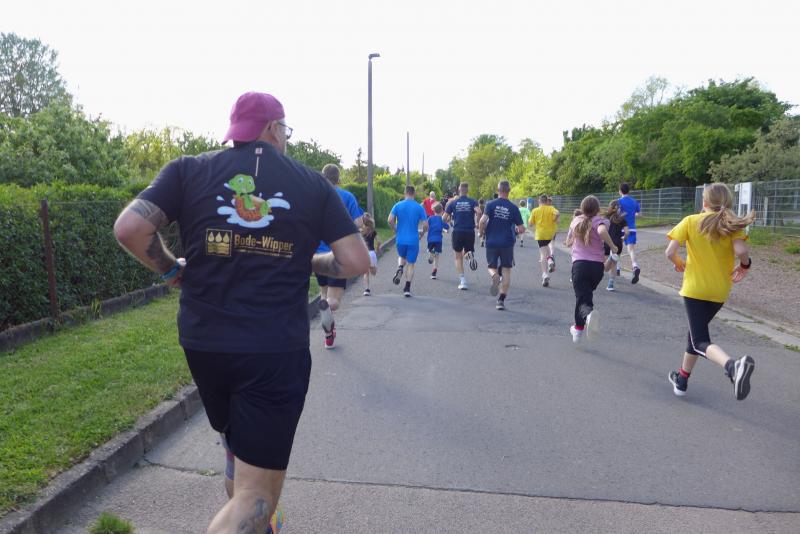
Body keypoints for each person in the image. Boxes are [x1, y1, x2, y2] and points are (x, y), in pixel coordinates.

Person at [113, 91, 369, 534]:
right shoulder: (312, 184)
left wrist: (171, 269)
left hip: (203, 342)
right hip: (273, 350)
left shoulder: (188, 170)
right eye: (285, 129)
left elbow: (130, 228)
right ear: (272, 128)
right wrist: (308, 261)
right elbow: (355, 261)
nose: (285, 138)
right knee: (258, 495)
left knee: (238, 448)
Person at [665, 183, 755, 400]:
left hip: (695, 289)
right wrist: (745, 265)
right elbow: (741, 250)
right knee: (695, 336)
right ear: (728, 203)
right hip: (719, 291)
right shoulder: (731, 225)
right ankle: (682, 379)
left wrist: (679, 263)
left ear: (704, 202)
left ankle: (733, 367)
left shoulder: (691, 221)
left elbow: (669, 252)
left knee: (699, 341)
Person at [315, 164, 364, 350]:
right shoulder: (347, 197)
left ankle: (329, 334)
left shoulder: (315, 196)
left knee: (323, 293)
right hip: (338, 254)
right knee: (333, 300)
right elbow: (357, 223)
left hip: (318, 254)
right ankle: (327, 307)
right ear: (338, 178)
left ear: (322, 176)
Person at [565, 195, 619, 343]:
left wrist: (573, 241)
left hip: (580, 266)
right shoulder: (600, 221)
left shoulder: (576, 221)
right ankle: (578, 330)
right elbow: (601, 231)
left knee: (583, 300)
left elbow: (567, 242)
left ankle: (588, 315)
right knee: (584, 297)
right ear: (597, 209)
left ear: (582, 208)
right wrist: (612, 246)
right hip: (597, 268)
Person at [479, 181, 525, 310]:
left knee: (491, 267)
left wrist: (481, 233)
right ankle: (501, 300)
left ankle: (494, 276)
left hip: (492, 241)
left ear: (498, 190)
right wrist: (518, 231)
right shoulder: (513, 208)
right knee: (506, 270)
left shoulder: (490, 204)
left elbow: (482, 221)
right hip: (507, 243)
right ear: (509, 191)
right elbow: (521, 228)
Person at [389, 185, 428, 297]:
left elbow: (390, 220)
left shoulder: (397, 205)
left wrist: (396, 229)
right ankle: (407, 288)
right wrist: (422, 233)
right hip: (413, 240)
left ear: (404, 193)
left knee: (402, 257)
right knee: (411, 264)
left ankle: (400, 268)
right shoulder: (419, 207)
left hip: (400, 239)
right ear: (414, 193)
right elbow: (426, 224)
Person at [444, 182, 481, 290]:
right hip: (469, 231)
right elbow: (479, 212)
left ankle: (463, 281)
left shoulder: (453, 202)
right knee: (467, 251)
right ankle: (469, 255)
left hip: (458, 231)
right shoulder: (473, 201)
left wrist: (447, 220)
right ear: (467, 190)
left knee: (458, 256)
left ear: (459, 190)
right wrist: (478, 223)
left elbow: (444, 218)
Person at [529, 194, 560, 287]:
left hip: (540, 234)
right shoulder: (551, 208)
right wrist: (555, 219)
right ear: (547, 201)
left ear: (539, 201)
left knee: (543, 254)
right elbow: (557, 213)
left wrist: (534, 222)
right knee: (547, 248)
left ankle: (545, 274)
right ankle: (550, 260)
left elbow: (530, 223)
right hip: (550, 234)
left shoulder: (535, 210)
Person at [603, 199, 628, 291]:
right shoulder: (622, 219)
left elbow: (603, 230)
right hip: (618, 243)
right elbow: (627, 232)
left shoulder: (606, 217)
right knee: (614, 264)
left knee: (605, 267)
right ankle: (610, 285)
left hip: (607, 242)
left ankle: (610, 258)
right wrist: (623, 239)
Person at [618, 183, 642, 283]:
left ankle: (617, 268)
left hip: (621, 229)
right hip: (632, 228)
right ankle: (635, 266)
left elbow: (617, 214)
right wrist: (633, 214)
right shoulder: (634, 201)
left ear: (620, 191)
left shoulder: (619, 201)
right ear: (629, 191)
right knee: (631, 250)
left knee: (617, 249)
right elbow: (640, 214)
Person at [427, 203, 449, 279]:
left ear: (434, 211)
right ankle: (434, 273)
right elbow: (447, 227)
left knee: (430, 250)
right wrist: (445, 230)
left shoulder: (430, 218)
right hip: (438, 240)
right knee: (437, 256)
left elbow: (427, 226)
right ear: (442, 211)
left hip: (430, 239)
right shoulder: (441, 219)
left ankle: (431, 255)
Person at [361, 212, 380, 296]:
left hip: (364, 254)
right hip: (372, 253)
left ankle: (367, 290)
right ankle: (372, 267)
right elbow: (379, 242)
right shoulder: (373, 231)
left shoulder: (361, 231)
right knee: (374, 273)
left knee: (366, 273)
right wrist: (377, 249)